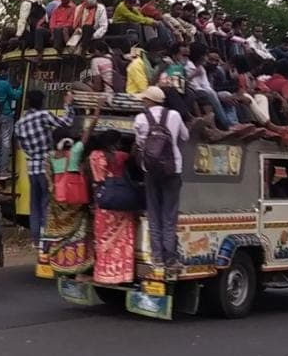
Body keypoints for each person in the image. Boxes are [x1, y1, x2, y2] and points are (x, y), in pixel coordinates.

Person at [135, 86, 189, 273]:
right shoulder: (174, 115)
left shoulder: (141, 118)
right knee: (169, 215)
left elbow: (141, 143)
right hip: (173, 169)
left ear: (149, 101)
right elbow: (185, 136)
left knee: (154, 214)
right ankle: (171, 259)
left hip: (150, 171)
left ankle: (157, 258)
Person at [45, 115, 95, 277]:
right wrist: (97, 112)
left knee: (61, 237)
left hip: (58, 201)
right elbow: (88, 134)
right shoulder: (75, 152)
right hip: (76, 200)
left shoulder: (50, 157)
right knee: (80, 233)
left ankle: (61, 264)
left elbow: (49, 181)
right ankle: (79, 266)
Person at [13, 90, 64, 246]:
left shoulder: (20, 123)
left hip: (31, 167)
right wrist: (69, 106)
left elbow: (19, 145)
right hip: (46, 166)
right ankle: (47, 239)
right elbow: (64, 123)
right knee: (47, 204)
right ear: (42, 102)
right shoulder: (43, 115)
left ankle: (36, 239)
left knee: (34, 205)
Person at [88, 127, 137, 285]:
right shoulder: (121, 156)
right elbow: (135, 158)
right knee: (123, 240)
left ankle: (104, 274)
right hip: (120, 202)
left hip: (102, 202)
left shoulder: (94, 156)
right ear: (115, 143)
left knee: (103, 241)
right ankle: (122, 274)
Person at [0, 65, 23, 181]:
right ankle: (4, 171)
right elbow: (16, 95)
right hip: (5, 114)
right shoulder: (4, 84)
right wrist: (22, 86)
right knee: (5, 142)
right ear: (1, 71)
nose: (6, 73)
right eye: (5, 71)